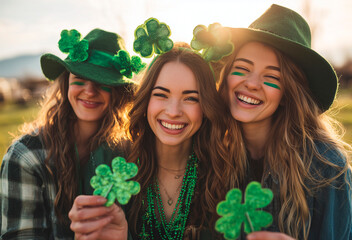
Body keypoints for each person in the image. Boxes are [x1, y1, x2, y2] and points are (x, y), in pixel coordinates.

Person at [216, 4, 352, 240]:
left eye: (272, 77)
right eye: (242, 68)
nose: (252, 84)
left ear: (287, 94)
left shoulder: (327, 168)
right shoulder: (211, 151)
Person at [68, 44, 232, 239]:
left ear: (206, 106)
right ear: (145, 100)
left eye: (190, 98)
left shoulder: (225, 172)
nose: (173, 111)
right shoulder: (108, 162)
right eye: (161, 95)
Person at [0, 28, 142, 239]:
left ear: (119, 92)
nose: (89, 91)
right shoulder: (26, 157)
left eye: (102, 82)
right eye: (80, 79)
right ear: (66, 82)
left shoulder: (130, 154)